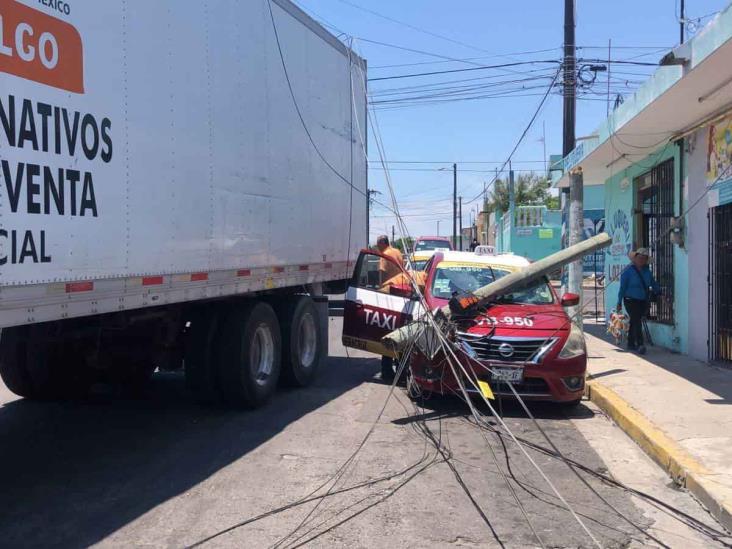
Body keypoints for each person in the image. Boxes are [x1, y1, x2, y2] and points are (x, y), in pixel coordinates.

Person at [616, 247, 660, 355]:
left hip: (642, 300)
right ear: (635, 258)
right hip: (630, 300)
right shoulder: (627, 272)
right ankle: (640, 344)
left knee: (634, 321)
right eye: (639, 258)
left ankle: (630, 343)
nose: (641, 260)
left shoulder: (647, 272)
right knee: (637, 320)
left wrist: (659, 292)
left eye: (644, 258)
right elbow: (622, 288)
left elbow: (653, 284)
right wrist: (619, 302)